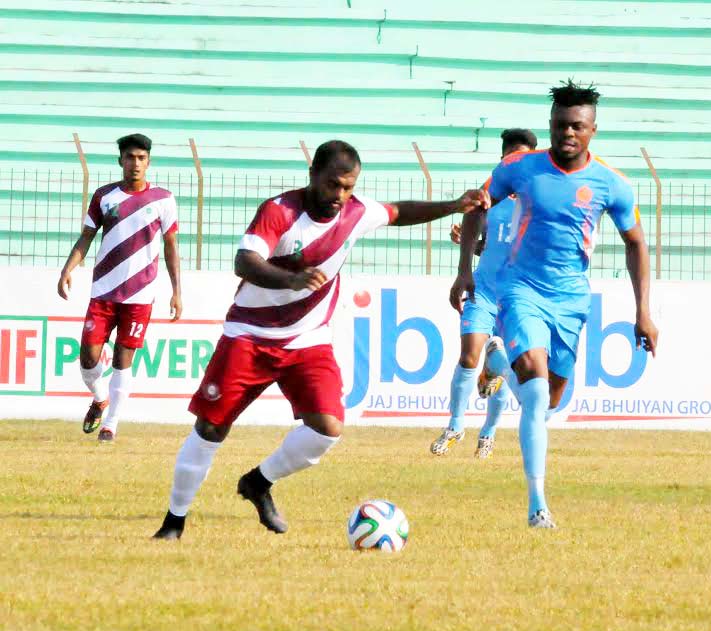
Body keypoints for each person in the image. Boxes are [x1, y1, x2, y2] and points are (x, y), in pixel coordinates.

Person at [152, 140, 490, 540]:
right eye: (333, 185)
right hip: (250, 335)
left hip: (308, 340)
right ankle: (174, 522)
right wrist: (291, 278)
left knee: (327, 428)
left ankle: (259, 482)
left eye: (348, 187)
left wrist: (453, 205)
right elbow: (245, 260)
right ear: (313, 175)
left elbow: (399, 212)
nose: (340, 196)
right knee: (211, 429)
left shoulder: (355, 212)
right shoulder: (279, 211)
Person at [452, 81, 659, 528]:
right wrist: (464, 269)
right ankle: (537, 504)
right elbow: (476, 207)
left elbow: (636, 244)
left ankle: (499, 369)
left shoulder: (613, 184)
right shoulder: (519, 168)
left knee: (548, 403)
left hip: (571, 300)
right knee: (537, 387)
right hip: (520, 289)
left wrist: (642, 310)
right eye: (561, 125)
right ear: (550, 125)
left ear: (593, 130)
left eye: (577, 127)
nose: (568, 133)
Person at [57, 133, 182, 442]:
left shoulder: (164, 199)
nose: (135, 163)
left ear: (148, 162)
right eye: (130, 157)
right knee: (88, 356)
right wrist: (68, 269)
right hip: (103, 292)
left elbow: (171, 247)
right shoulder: (104, 196)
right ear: (120, 161)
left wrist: (177, 290)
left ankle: (111, 425)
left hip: (140, 295)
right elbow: (86, 236)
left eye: (141, 158)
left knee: (123, 359)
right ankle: (101, 398)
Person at [430, 128, 537, 459]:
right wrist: (467, 246)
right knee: (469, 356)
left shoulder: (540, 204)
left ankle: (488, 432)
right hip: (484, 288)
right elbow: (489, 249)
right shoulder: (491, 198)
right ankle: (455, 424)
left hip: (518, 296)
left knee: (503, 364)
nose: (513, 161)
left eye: (520, 156)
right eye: (508, 156)